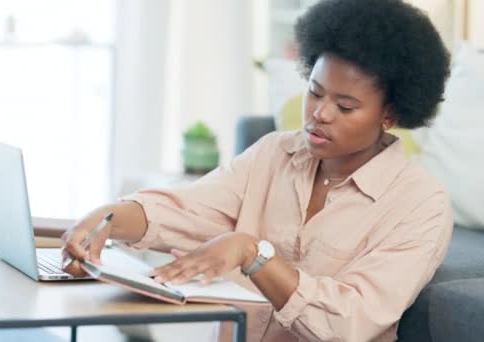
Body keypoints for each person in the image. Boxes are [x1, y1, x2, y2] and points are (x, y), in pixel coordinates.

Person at [61, 0, 453, 341]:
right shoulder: (275, 153)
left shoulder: (420, 205)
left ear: (390, 114)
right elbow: (186, 209)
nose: (319, 113)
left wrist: (253, 254)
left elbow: (352, 323)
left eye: (345, 106)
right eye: (315, 92)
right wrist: (107, 219)